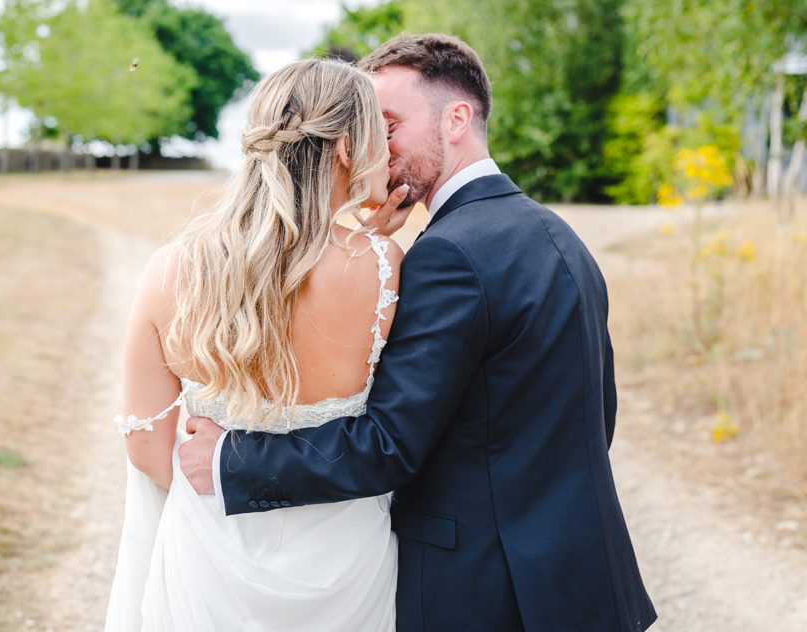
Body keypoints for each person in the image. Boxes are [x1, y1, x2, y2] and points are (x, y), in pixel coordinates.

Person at [174, 33, 656, 631]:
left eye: (390, 124)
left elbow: (390, 445)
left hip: (486, 590)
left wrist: (228, 462)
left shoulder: (449, 254)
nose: (377, 146)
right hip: (581, 578)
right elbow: (593, 416)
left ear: (457, 118)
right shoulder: (556, 236)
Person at [104, 57, 409, 630]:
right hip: (345, 563)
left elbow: (146, 448)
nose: (388, 154)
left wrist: (220, 497)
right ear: (346, 147)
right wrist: (368, 243)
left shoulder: (172, 269)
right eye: (379, 135)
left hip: (210, 559)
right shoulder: (384, 267)